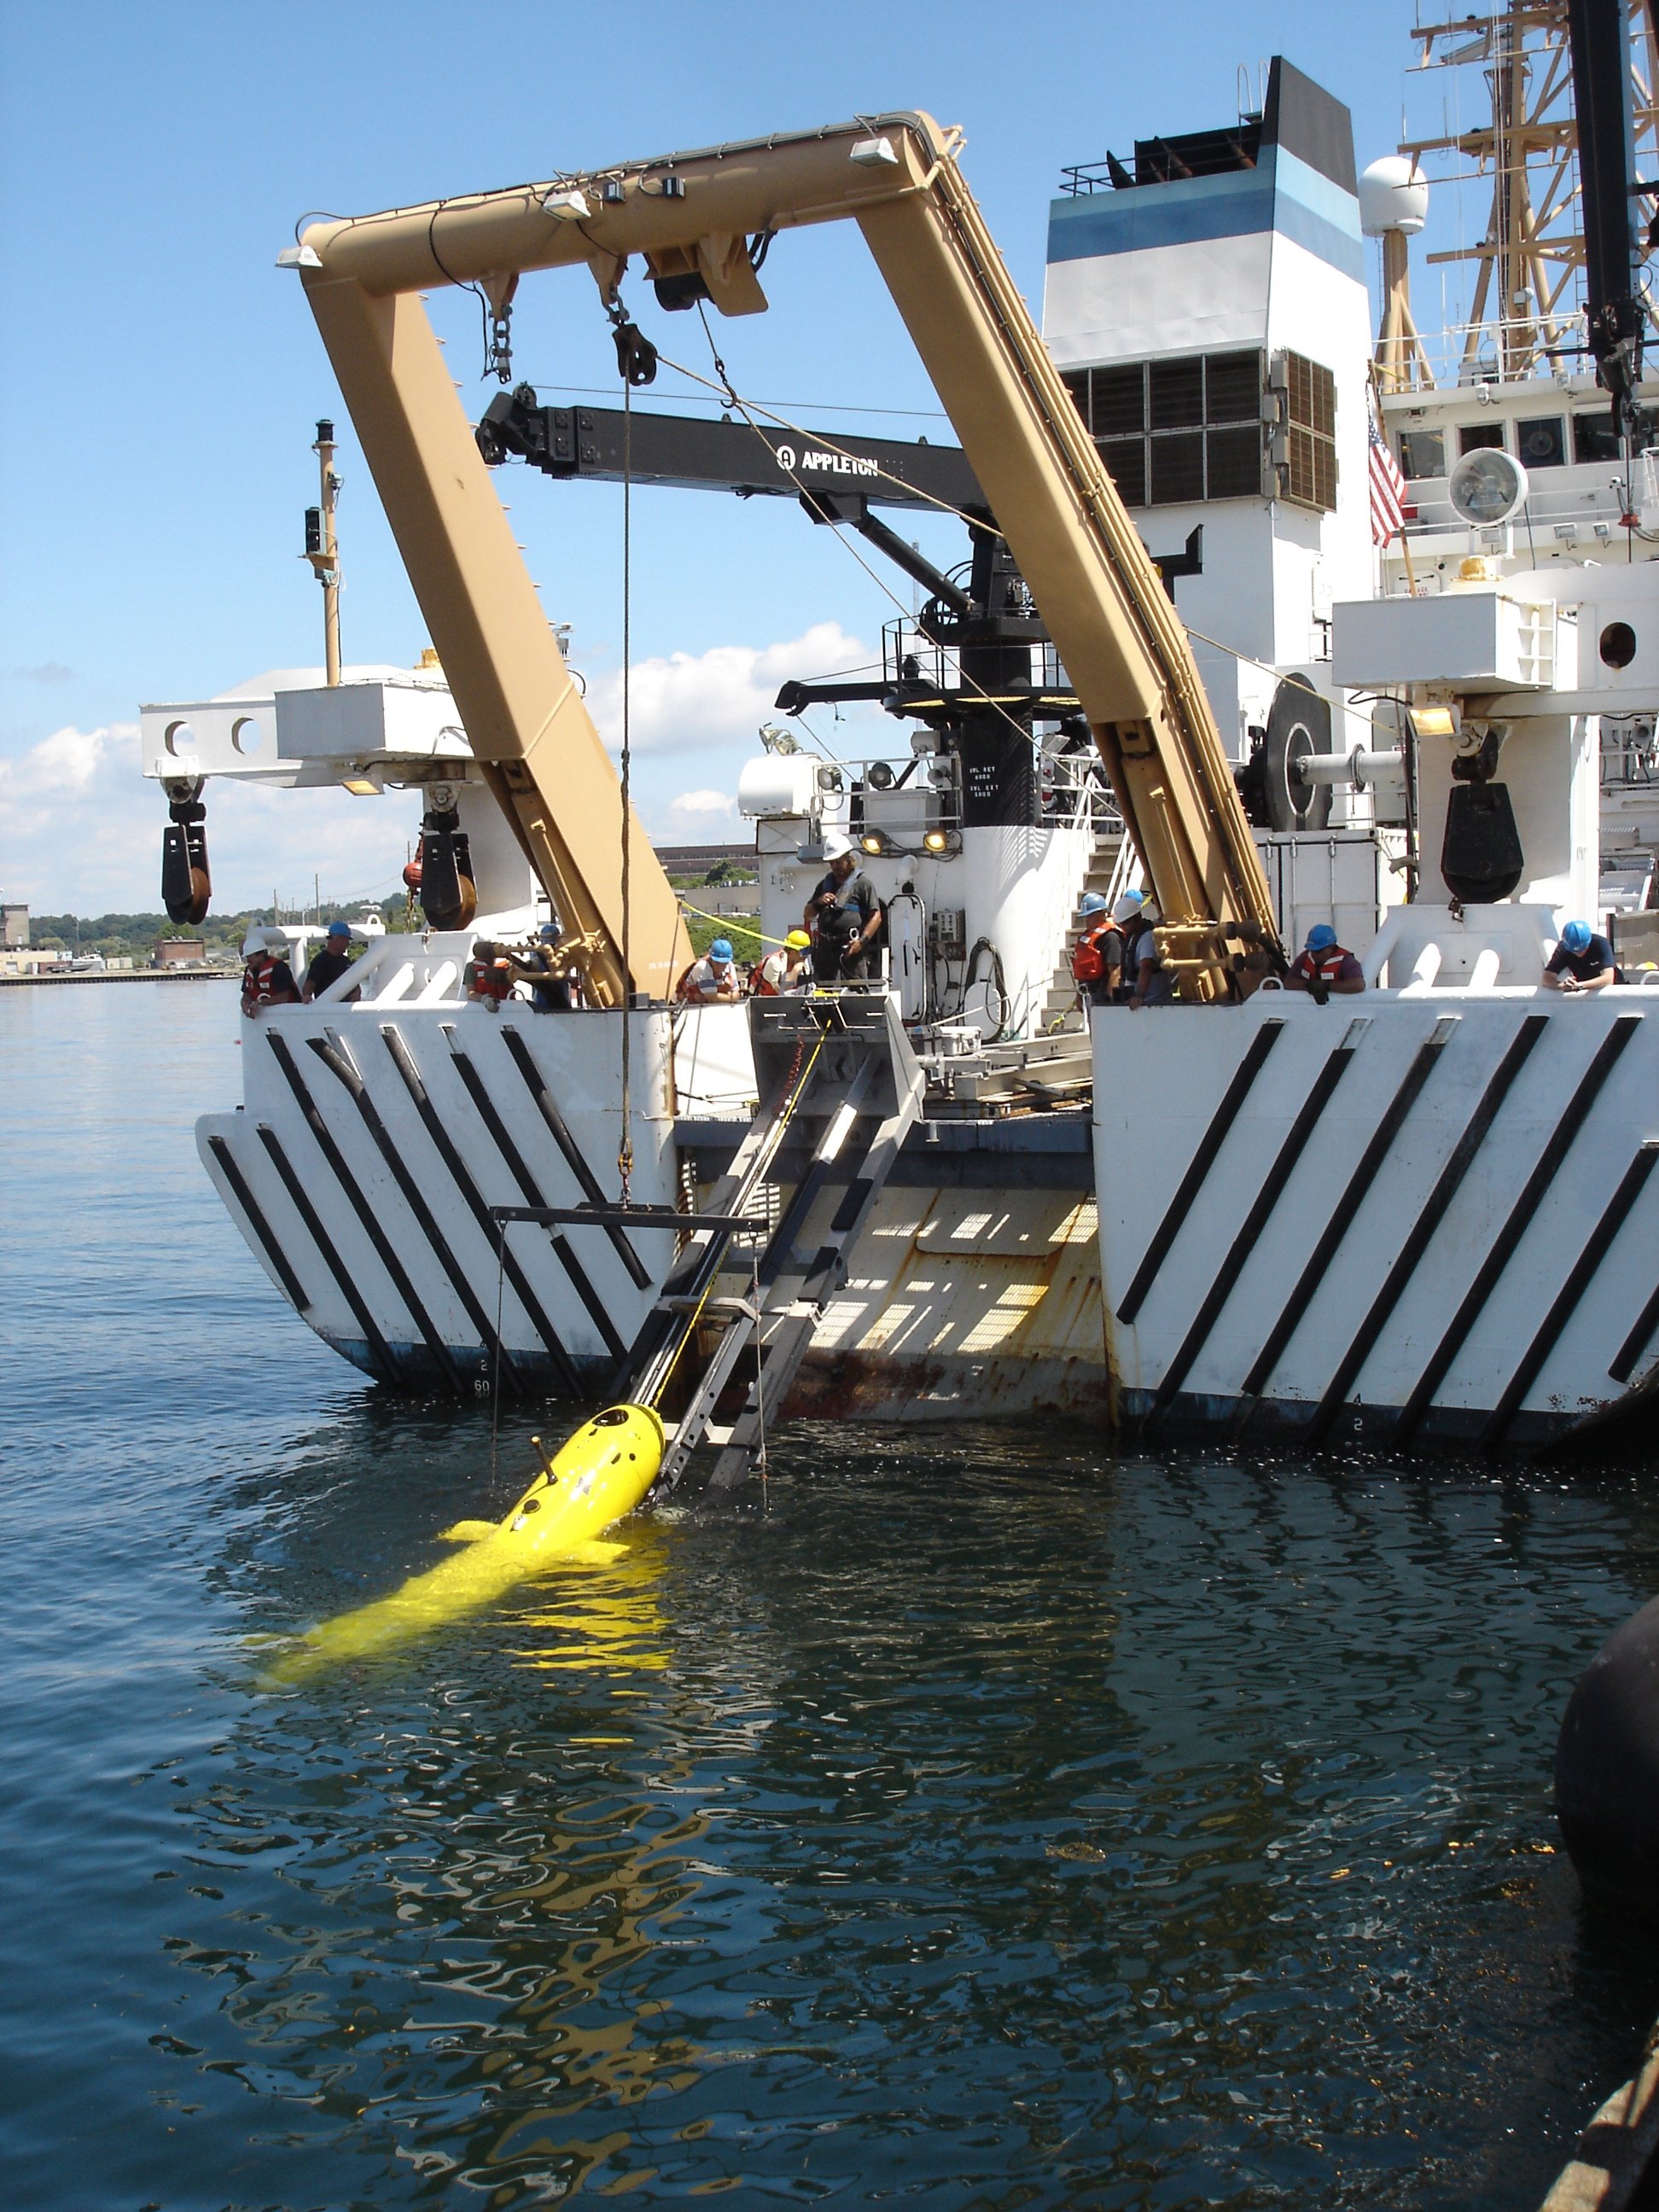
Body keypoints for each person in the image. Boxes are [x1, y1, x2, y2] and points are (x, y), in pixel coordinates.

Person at [805, 832, 882, 982]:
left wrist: (861, 942)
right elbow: (807, 914)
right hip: (825, 949)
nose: (834, 867)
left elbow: (876, 917)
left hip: (850, 947)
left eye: (838, 862)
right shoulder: (824, 885)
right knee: (822, 991)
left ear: (848, 859)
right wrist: (818, 902)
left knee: (856, 991)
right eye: (832, 863)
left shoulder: (863, 885)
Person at [1070, 892, 1126, 1009]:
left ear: (1102, 914)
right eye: (1086, 916)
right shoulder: (1087, 937)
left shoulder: (1111, 937)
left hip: (1103, 997)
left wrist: (1111, 1004)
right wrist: (1079, 996)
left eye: (1090, 916)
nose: (1087, 920)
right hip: (1089, 996)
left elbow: (1115, 972)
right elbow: (1083, 971)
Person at [507, 920, 575, 1012]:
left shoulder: (542, 952)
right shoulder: (539, 953)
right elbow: (533, 965)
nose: (550, 947)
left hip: (556, 996)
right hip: (547, 997)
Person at [1285, 923, 1365, 999]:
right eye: (1311, 950)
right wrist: (1309, 985)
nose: (1314, 954)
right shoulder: (1304, 958)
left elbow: (1358, 985)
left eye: (1319, 951)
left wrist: (1327, 986)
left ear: (1331, 947)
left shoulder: (1346, 961)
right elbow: (1288, 982)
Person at [1543, 917, 1618, 993]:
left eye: (1582, 949)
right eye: (1573, 951)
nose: (1578, 953)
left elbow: (1608, 978)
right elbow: (1547, 978)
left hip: (1612, 992)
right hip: (1584, 995)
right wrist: (1562, 986)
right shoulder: (1563, 948)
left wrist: (1580, 985)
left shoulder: (1600, 944)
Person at [1124, 897, 1173, 1009]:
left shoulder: (1147, 937)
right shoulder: (1132, 936)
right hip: (1142, 1002)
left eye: (1126, 923)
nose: (1123, 927)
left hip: (1153, 1002)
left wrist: (1139, 996)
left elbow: (1146, 966)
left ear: (1136, 918)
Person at [241, 926, 300, 1015]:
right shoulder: (249, 971)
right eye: (247, 957)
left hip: (289, 1014)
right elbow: (246, 995)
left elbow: (283, 998)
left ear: (261, 955)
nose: (248, 960)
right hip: (266, 1019)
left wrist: (260, 1003)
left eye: (250, 956)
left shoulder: (279, 968)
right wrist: (245, 1005)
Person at [302, 919, 359, 1002]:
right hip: (328, 1008)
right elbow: (310, 983)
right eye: (346, 940)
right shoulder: (320, 961)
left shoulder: (346, 961)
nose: (348, 944)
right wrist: (306, 996)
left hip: (346, 1008)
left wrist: (357, 993)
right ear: (337, 939)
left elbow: (355, 983)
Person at [678, 937, 743, 1004]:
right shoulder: (703, 967)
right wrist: (730, 998)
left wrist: (733, 994)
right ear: (711, 959)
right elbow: (711, 997)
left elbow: (735, 991)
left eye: (724, 963)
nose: (720, 967)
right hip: (688, 1007)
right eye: (717, 963)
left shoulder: (730, 966)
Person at [751, 928, 812, 996]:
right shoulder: (775, 963)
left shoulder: (802, 961)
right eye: (803, 952)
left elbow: (805, 988)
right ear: (791, 951)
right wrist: (795, 970)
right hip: (764, 1002)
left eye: (808, 951)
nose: (805, 956)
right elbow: (783, 994)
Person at [465, 940, 515, 1010]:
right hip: (487, 1009)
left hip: (509, 1007)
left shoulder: (504, 965)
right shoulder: (471, 967)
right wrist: (484, 999)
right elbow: (470, 993)